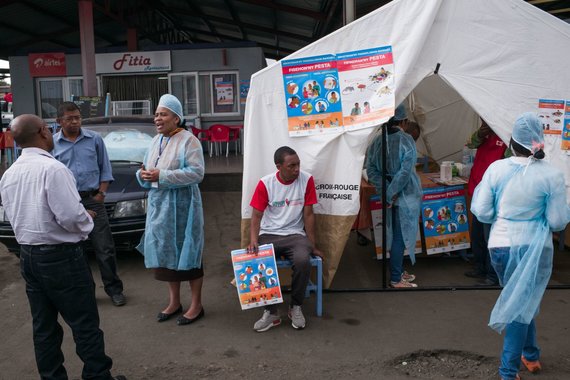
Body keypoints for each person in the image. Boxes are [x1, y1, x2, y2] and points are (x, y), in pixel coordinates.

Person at [0, 114, 126, 380]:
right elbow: (70, 217)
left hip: (29, 256)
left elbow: (13, 216)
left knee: (44, 327)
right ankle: (98, 376)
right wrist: (87, 219)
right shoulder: (54, 170)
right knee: (84, 324)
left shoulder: (9, 174)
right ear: (44, 132)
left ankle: (53, 376)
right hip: (61, 257)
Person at [471, 112, 570, 380]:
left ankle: (531, 353)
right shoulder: (551, 175)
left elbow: (481, 211)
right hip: (534, 247)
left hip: (500, 244)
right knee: (520, 303)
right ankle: (508, 371)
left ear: (511, 142)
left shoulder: (496, 169)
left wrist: (501, 217)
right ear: (539, 143)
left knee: (522, 300)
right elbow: (558, 221)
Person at [136, 94, 205, 326]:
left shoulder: (189, 140)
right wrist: (143, 175)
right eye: (156, 114)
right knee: (166, 255)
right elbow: (148, 167)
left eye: (163, 114)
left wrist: (162, 176)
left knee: (189, 254)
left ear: (176, 118)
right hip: (160, 208)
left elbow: (197, 173)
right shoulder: (155, 141)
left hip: (184, 208)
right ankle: (174, 302)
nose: (157, 118)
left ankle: (196, 305)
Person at [52, 102, 126, 307]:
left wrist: (101, 194)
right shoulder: (52, 144)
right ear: (59, 122)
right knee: (75, 251)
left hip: (93, 200)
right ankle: (85, 293)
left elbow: (105, 168)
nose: (75, 121)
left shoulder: (94, 139)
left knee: (105, 248)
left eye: (77, 117)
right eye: (70, 118)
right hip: (68, 202)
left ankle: (114, 290)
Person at [247, 146, 323, 332]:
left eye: (298, 164)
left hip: (295, 234)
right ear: (278, 166)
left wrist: (312, 245)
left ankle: (295, 306)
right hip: (269, 234)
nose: (297, 169)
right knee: (259, 260)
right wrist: (253, 240)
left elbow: (308, 215)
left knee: (302, 260)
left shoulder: (306, 180)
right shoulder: (266, 183)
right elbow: (256, 216)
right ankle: (271, 312)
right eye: (291, 165)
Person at [366, 103, 422, 288]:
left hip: (391, 195)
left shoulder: (377, 140)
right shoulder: (406, 140)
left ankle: (397, 269)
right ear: (404, 121)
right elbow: (405, 173)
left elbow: (371, 169)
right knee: (400, 236)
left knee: (394, 235)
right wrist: (392, 193)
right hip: (404, 195)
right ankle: (396, 278)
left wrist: (386, 191)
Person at [464, 120, 509, 286]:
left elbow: (510, 159)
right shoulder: (484, 132)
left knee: (490, 236)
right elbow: (470, 143)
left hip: (495, 193)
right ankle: (479, 267)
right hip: (478, 189)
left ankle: (493, 275)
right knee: (477, 234)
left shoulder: (506, 133)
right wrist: (481, 133)